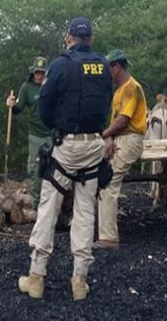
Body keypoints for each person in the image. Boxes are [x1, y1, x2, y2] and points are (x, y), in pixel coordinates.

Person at [18, 16, 112, 301]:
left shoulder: (60, 64)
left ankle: (36, 277)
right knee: (85, 213)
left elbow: (45, 107)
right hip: (94, 145)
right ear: (91, 39)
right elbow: (107, 103)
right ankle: (79, 281)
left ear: (69, 37)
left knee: (48, 208)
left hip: (66, 146)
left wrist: (56, 127)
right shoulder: (104, 66)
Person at [97, 50, 147, 249]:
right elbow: (114, 123)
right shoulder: (118, 90)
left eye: (108, 68)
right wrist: (108, 137)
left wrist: (104, 135)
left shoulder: (131, 88)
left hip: (130, 138)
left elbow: (123, 121)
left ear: (116, 67)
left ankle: (108, 237)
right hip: (119, 137)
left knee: (108, 182)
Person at [6, 57, 52, 208]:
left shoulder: (52, 85)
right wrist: (11, 105)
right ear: (33, 72)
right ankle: (37, 204)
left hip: (52, 134)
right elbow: (19, 109)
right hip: (35, 135)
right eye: (37, 72)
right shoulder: (26, 87)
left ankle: (54, 204)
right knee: (35, 168)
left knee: (55, 168)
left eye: (42, 72)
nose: (39, 75)